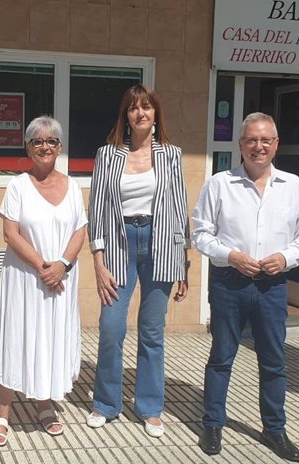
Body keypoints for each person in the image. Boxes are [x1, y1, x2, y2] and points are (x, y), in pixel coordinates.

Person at [192, 112, 299, 462]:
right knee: (221, 358)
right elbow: (200, 234)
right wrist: (231, 256)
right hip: (230, 283)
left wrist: (287, 257)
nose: (258, 146)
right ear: (240, 145)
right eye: (251, 140)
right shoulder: (219, 184)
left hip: (272, 286)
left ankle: (274, 430)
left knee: (274, 361)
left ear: (276, 145)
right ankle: (213, 424)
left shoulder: (293, 187)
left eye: (266, 140)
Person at [86, 84, 189, 438]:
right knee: (111, 327)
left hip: (160, 245)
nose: (140, 113)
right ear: (126, 116)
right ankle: (106, 403)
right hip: (119, 245)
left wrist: (184, 264)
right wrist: (98, 262)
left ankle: (149, 407)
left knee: (152, 331)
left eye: (146, 107)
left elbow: (179, 209)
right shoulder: (108, 155)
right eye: (133, 108)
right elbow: (96, 210)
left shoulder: (171, 155)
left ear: (156, 113)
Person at [0, 116, 87, 447]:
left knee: (51, 336)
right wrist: (45, 266)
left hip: (61, 278)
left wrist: (63, 264)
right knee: (18, 335)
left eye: (51, 141)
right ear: (28, 147)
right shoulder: (17, 185)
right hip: (27, 277)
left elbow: (79, 231)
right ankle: (2, 411)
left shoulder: (72, 185)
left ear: (60, 147)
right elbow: (10, 233)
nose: (45, 147)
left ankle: (44, 402)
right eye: (37, 141)